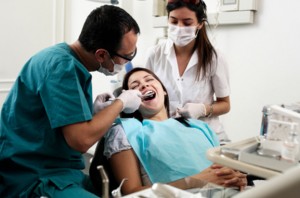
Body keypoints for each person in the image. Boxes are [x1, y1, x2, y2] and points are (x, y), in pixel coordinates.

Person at [0, 5, 143, 198]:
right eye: (127, 57)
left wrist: (92, 114)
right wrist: (121, 103)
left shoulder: (62, 60)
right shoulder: (62, 68)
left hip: (59, 172)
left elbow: (54, 121)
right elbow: (81, 139)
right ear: (101, 54)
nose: (128, 63)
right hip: (34, 178)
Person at [101, 67, 247, 195]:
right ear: (131, 101)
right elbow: (130, 194)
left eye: (149, 80)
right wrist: (193, 182)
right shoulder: (125, 131)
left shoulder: (198, 126)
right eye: (135, 85)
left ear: (164, 91)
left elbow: (222, 168)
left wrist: (236, 176)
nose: (144, 85)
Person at [144, 0, 231, 144]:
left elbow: (225, 104)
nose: (179, 28)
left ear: (200, 24)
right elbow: (146, 95)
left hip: (206, 136)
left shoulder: (214, 58)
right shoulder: (154, 54)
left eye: (187, 23)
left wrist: (203, 109)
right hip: (166, 135)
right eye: (174, 21)